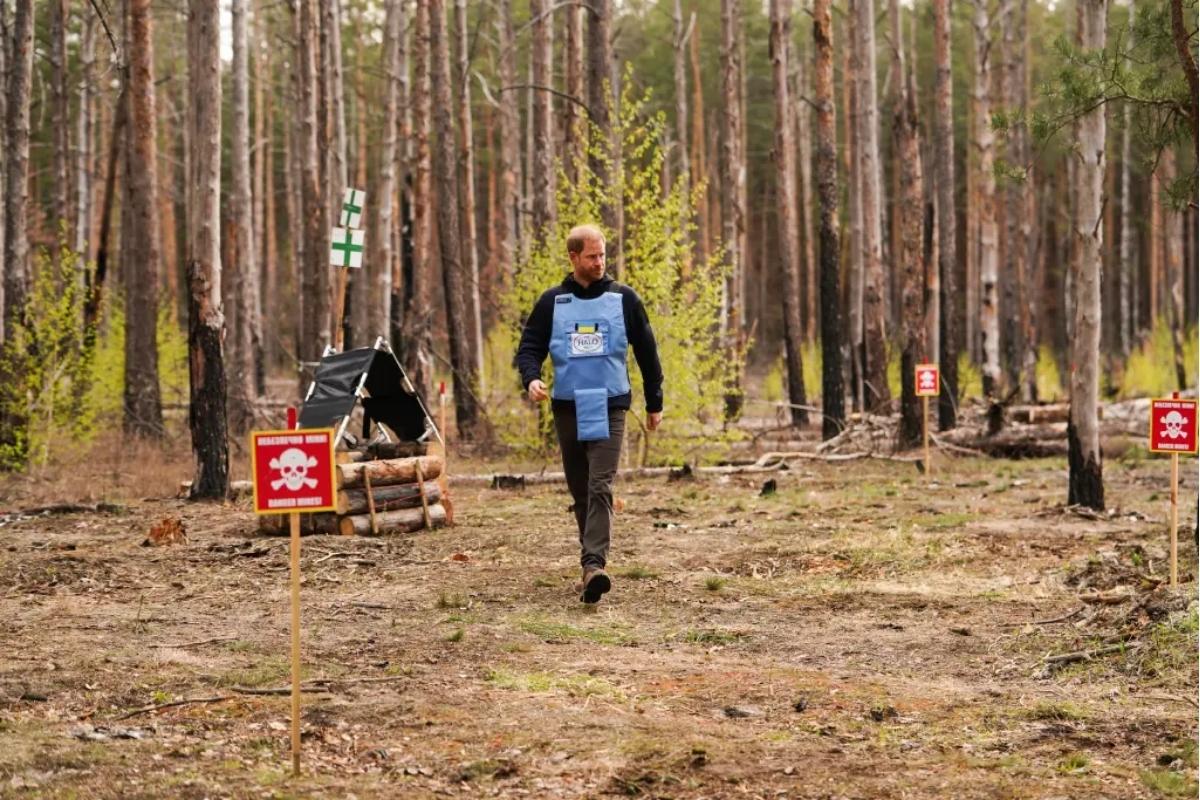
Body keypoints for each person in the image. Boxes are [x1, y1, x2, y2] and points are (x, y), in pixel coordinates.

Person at [516, 224, 664, 604]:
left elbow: (647, 351)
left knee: (601, 485)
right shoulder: (553, 302)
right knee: (581, 490)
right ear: (573, 257)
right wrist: (531, 379)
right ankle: (590, 568)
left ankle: (594, 564)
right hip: (568, 406)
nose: (599, 262)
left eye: (602, 255)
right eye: (591, 256)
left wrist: (654, 401)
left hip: (611, 402)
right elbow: (529, 348)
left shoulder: (624, 299)